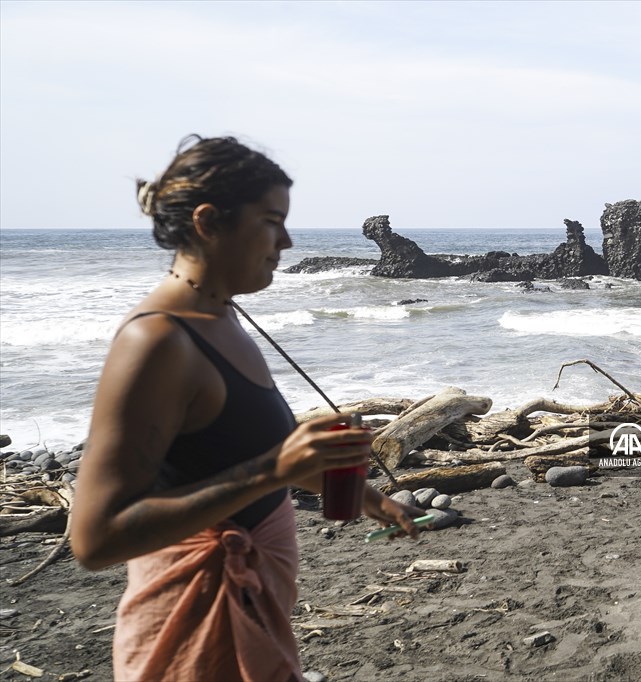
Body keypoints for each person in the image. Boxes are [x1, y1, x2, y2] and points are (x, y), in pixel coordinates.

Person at [70, 135, 422, 682]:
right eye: (271, 220)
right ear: (209, 222)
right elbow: (96, 538)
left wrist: (363, 495)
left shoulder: (225, 317)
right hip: (192, 628)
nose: (286, 239)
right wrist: (272, 469)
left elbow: (230, 461)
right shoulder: (157, 342)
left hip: (256, 609)